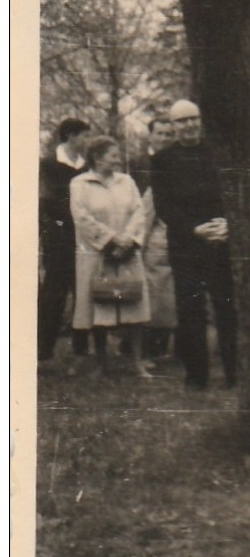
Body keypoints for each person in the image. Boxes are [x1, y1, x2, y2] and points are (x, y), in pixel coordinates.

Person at [151, 99, 237, 390]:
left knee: (227, 309)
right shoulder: (162, 160)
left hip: (222, 242)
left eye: (193, 118)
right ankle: (196, 376)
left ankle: (234, 373)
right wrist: (194, 229)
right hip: (187, 245)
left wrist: (228, 223)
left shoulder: (219, 153)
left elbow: (233, 193)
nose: (188, 125)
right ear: (173, 127)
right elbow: (163, 205)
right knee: (190, 311)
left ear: (200, 120)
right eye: (181, 121)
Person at [69, 135, 151, 378]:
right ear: (97, 157)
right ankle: (102, 363)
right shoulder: (79, 184)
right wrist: (110, 240)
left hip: (127, 253)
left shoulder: (126, 181)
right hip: (96, 254)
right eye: (113, 155)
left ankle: (137, 362)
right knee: (99, 305)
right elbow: (81, 217)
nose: (117, 160)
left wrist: (128, 239)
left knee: (134, 303)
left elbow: (139, 212)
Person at [38, 117, 92, 365]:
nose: (87, 141)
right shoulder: (49, 164)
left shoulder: (86, 165)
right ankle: (42, 351)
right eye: (84, 136)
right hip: (59, 239)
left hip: (83, 238)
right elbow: (50, 202)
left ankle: (81, 349)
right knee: (54, 295)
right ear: (71, 136)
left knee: (82, 292)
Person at [128, 117, 178, 360]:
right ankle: (139, 344)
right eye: (160, 134)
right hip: (144, 225)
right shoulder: (139, 163)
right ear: (151, 136)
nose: (165, 139)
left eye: (169, 134)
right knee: (150, 287)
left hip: (167, 229)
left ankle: (162, 345)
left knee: (167, 291)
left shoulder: (179, 160)